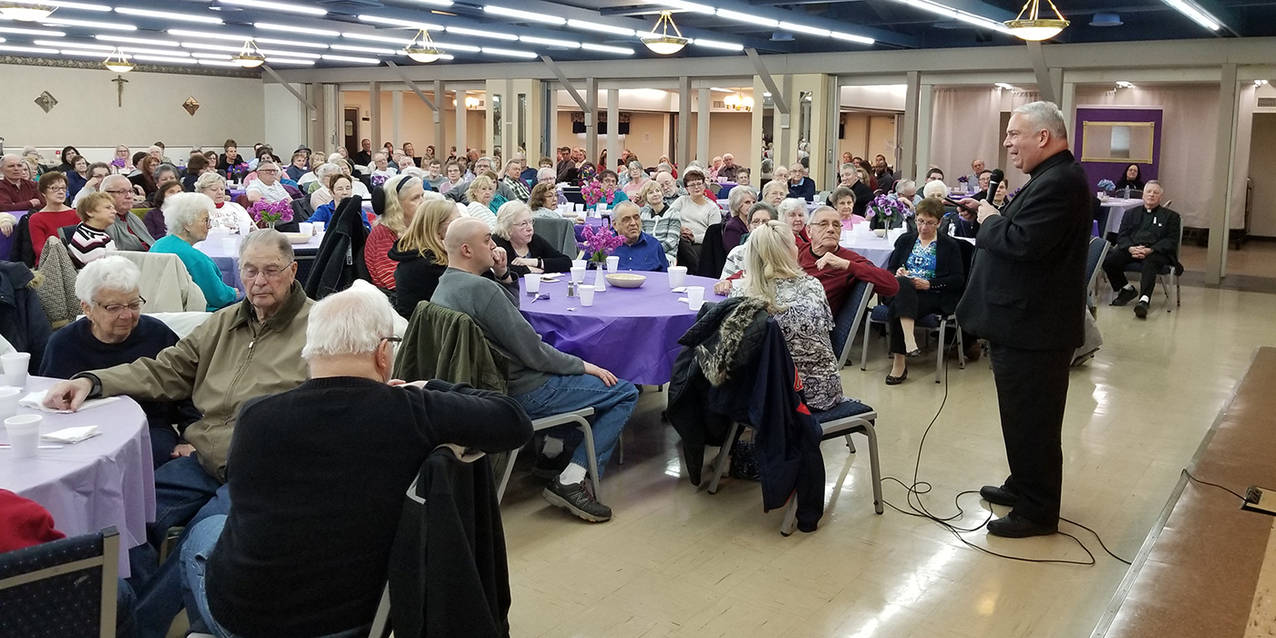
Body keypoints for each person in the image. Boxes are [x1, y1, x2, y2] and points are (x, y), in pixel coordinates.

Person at [179, 280, 530, 638]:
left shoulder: (256, 416)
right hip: (355, 619)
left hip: (248, 616)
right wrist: (427, 386)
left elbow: (245, 501)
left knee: (205, 534)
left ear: (310, 350)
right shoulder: (412, 413)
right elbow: (514, 421)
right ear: (382, 353)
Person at [43, 229, 312, 636]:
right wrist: (92, 382)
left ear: (292, 271)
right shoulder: (223, 323)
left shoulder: (317, 328)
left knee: (193, 544)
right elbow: (165, 369)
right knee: (126, 515)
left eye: (271, 271)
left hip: (260, 472)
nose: (259, 281)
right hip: (203, 461)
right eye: (250, 270)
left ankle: (137, 629)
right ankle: (117, 614)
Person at [433, 218, 638, 523]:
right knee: (624, 392)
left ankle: (552, 454)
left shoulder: (444, 286)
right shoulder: (481, 290)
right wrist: (585, 365)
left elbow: (507, 319)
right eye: (488, 240)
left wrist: (503, 275)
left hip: (478, 389)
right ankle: (571, 479)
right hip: (522, 390)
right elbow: (534, 352)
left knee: (579, 383)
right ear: (466, 249)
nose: (494, 246)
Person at [955, 101, 1091, 539]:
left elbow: (1023, 244)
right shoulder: (1048, 179)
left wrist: (992, 219)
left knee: (1034, 420)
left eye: (1014, 134)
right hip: (1024, 323)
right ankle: (1023, 483)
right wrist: (989, 215)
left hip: (1037, 328)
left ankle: (1037, 511)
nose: (1008, 143)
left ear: (1044, 137)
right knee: (1020, 415)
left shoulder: (1062, 183)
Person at [39, 256, 199, 467]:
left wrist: (189, 438)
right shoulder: (63, 344)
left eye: (134, 304)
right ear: (87, 308)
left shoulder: (158, 335)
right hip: (80, 432)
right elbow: (48, 402)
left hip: (148, 429)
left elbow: (191, 390)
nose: (127, 315)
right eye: (113, 308)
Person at [726, 219, 847, 411]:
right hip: (820, 392)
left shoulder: (740, 294)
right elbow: (825, 333)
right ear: (790, 251)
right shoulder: (812, 286)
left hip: (763, 397)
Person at [882, 198, 965, 384]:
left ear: (939, 223)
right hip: (905, 290)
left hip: (932, 295)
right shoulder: (905, 240)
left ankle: (899, 364)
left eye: (929, 223)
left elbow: (958, 279)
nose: (924, 227)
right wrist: (897, 272)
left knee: (898, 304)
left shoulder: (949, 245)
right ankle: (909, 341)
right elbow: (890, 268)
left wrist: (929, 284)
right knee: (903, 284)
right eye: (920, 221)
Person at [1102, 180, 1181, 318]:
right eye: (1148, 192)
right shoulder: (1130, 213)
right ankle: (1126, 289)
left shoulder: (1171, 217)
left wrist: (1150, 250)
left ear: (1160, 197)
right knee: (1108, 260)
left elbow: (1171, 241)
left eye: (1155, 193)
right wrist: (1131, 248)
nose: (1151, 195)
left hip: (1156, 252)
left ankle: (1144, 301)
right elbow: (1122, 236)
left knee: (1150, 262)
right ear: (1143, 195)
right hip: (1132, 248)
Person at [149, 193, 239, 311]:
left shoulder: (159, 244)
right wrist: (233, 292)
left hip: (160, 309)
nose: (209, 226)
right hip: (194, 316)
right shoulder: (195, 258)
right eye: (205, 220)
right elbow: (219, 297)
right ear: (187, 224)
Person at [367, 174, 425, 291]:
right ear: (396, 204)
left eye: (423, 196)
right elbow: (394, 282)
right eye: (415, 198)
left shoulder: (415, 228)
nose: (423, 202)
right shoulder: (383, 233)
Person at [492, 200, 571, 276]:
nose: (530, 228)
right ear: (507, 227)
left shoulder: (534, 239)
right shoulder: (496, 241)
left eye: (530, 222)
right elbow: (498, 269)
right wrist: (529, 270)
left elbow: (566, 262)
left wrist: (533, 262)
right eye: (523, 224)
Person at [669, 168, 719, 268]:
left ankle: (693, 268)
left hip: (700, 244)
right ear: (687, 188)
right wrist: (680, 228)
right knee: (681, 243)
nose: (696, 187)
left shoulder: (712, 207)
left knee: (683, 246)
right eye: (692, 185)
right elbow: (669, 217)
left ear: (704, 185)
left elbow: (714, 235)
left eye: (699, 184)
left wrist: (694, 238)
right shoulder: (682, 201)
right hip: (679, 238)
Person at [28, 172, 78, 262]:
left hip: (75, 260)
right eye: (54, 188)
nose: (61, 192)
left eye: (63, 188)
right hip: (50, 264)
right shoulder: (36, 218)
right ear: (43, 192)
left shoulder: (76, 214)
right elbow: (39, 248)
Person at [720, 202, 778, 279]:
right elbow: (724, 284)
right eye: (756, 222)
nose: (760, 226)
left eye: (765, 222)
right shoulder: (737, 253)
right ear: (748, 226)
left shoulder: (782, 251)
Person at [98, 174, 155, 250]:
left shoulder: (133, 218)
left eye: (131, 191)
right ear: (106, 194)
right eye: (122, 191)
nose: (129, 196)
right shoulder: (102, 221)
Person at [610, 201, 668, 272]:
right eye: (627, 219)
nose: (633, 223)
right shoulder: (605, 247)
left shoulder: (654, 246)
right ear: (615, 225)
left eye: (636, 218)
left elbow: (665, 277)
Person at [66, 193, 117, 268]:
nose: (114, 212)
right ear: (89, 212)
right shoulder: (89, 241)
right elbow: (104, 273)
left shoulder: (99, 234)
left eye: (113, 208)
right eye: (108, 208)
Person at [636, 181, 680, 266]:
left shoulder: (673, 213)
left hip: (666, 255)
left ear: (662, 193)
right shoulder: (644, 214)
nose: (655, 194)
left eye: (658, 191)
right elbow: (641, 236)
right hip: (646, 253)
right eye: (651, 192)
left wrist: (653, 252)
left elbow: (672, 241)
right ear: (646, 198)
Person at [720, 186, 757, 252]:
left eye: (754, 202)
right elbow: (735, 253)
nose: (752, 205)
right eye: (747, 202)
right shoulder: (732, 227)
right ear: (737, 204)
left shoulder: (757, 222)